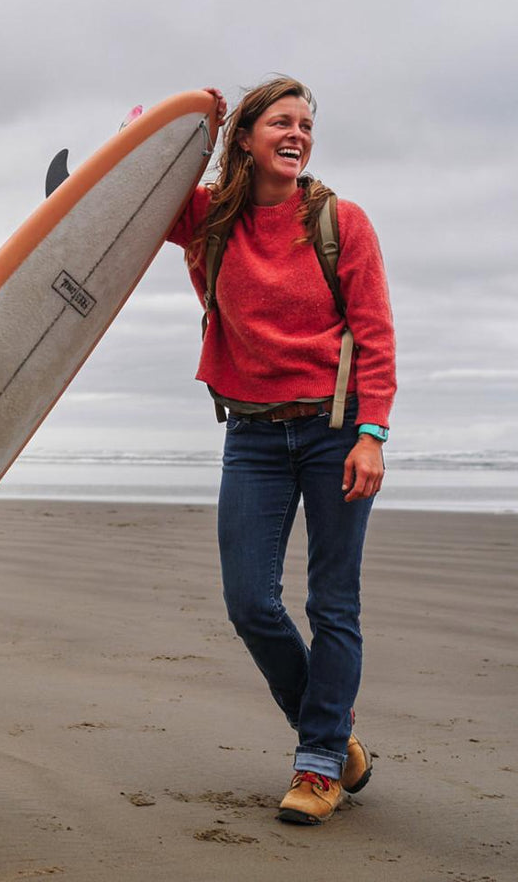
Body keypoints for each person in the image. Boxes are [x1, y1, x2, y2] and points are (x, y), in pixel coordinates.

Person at [166, 77, 396, 824]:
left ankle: (319, 765)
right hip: (253, 435)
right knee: (249, 602)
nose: (296, 134)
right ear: (246, 137)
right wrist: (163, 123)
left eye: (306, 124)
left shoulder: (340, 221)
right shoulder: (210, 220)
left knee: (332, 604)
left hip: (335, 431)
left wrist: (373, 433)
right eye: (281, 122)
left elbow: (376, 333)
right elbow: (133, 204)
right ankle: (333, 736)